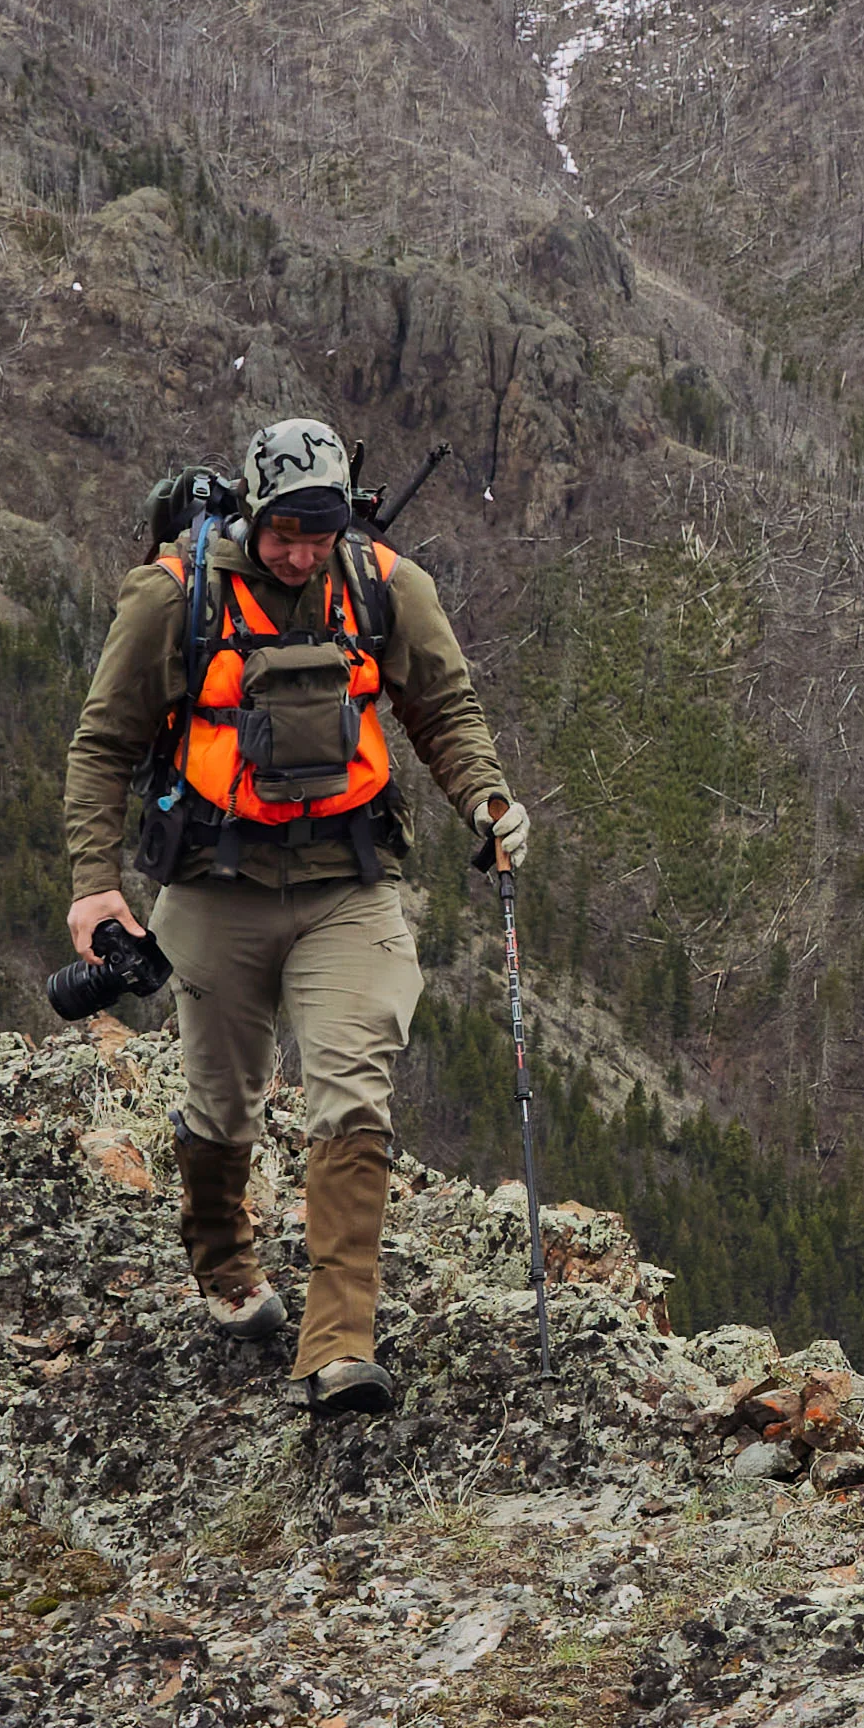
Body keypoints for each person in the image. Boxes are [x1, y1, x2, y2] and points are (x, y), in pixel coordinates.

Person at [63, 418, 530, 1416]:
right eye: (282, 532)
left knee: (352, 1095)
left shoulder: (384, 586)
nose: (299, 551)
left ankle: (338, 1346)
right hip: (211, 890)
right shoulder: (174, 595)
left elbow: (443, 710)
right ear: (250, 512)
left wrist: (489, 804)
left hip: (347, 888)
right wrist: (93, 883)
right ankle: (227, 1260)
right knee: (220, 1104)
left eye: (317, 533)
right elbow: (105, 741)